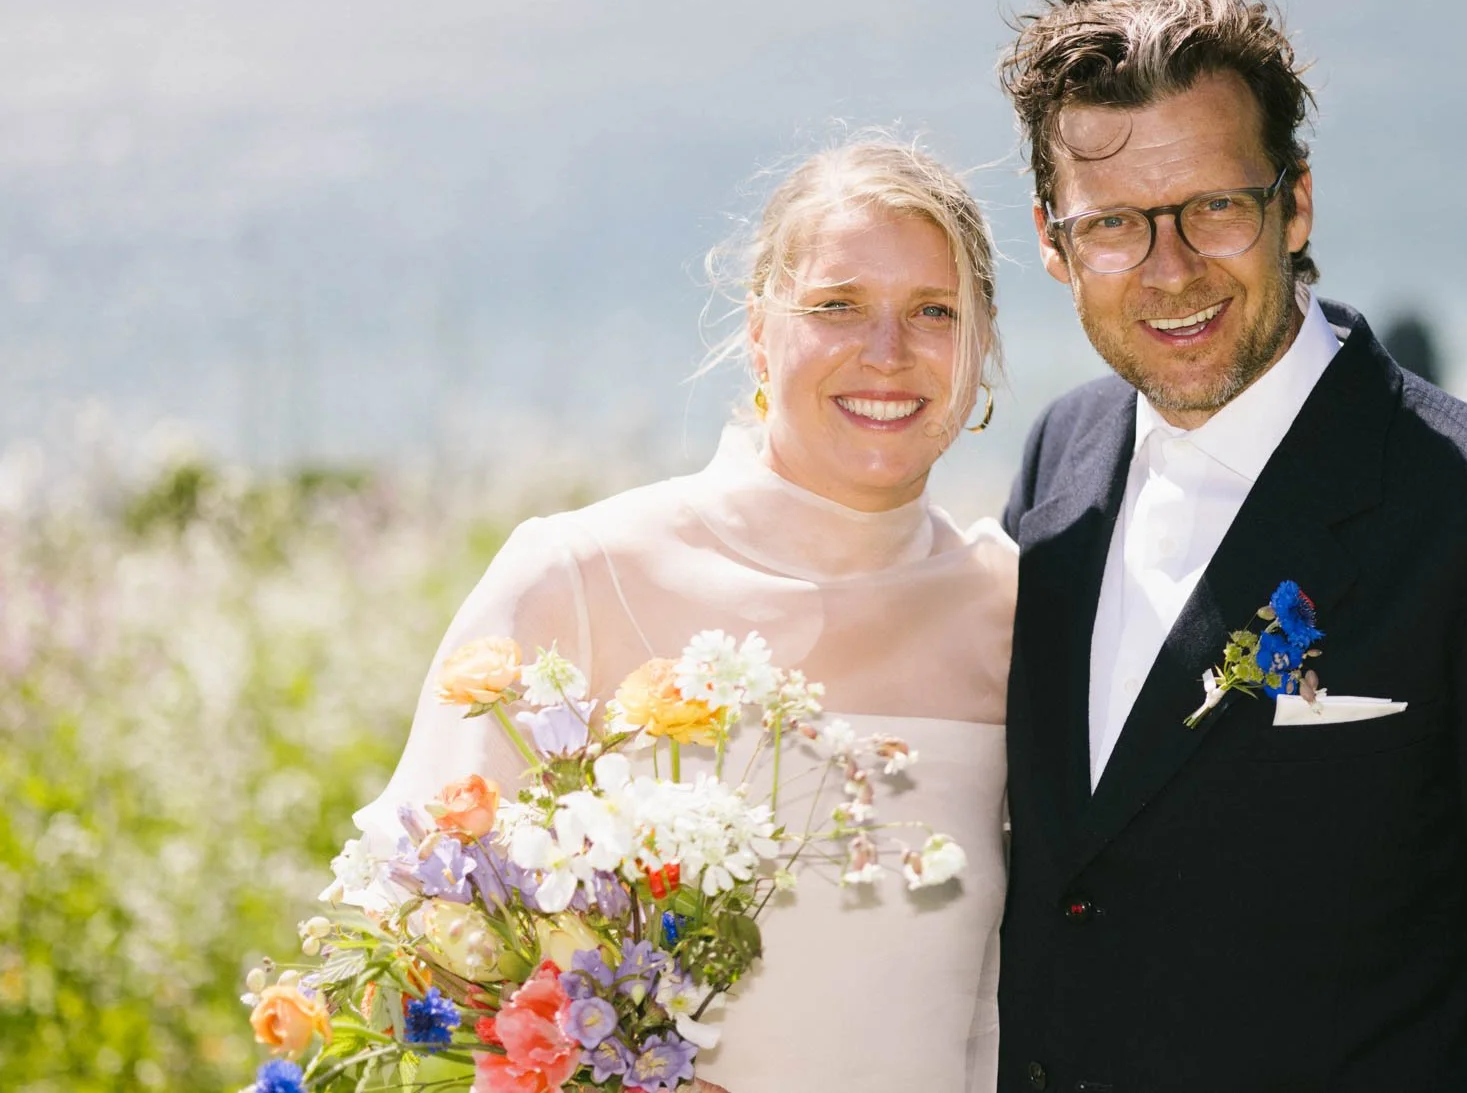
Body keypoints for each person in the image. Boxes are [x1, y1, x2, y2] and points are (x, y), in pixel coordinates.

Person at [994, 0, 1467, 1091]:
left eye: (1214, 207)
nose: (1170, 271)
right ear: (1055, 243)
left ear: (1295, 199)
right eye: (1114, 226)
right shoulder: (1060, 456)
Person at [360, 139, 1016, 1093]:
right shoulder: (580, 575)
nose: (888, 351)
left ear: (981, 343)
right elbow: (408, 935)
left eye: (934, 311)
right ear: (759, 330)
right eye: (837, 306)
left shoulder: (1019, 606)